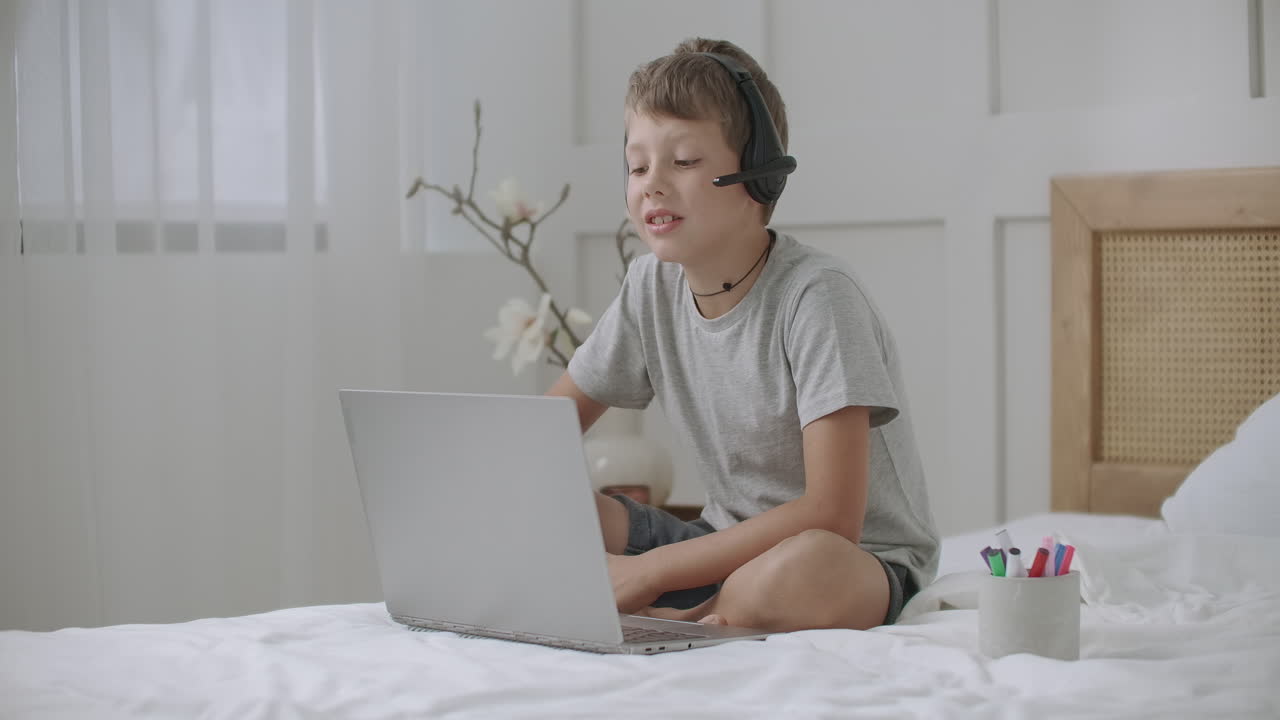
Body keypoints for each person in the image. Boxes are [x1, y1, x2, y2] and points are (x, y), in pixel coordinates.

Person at [546, 37, 938, 632]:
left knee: (805, 566)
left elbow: (833, 516)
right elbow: (540, 437)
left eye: (683, 161)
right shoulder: (650, 286)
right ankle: (687, 612)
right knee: (547, 502)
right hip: (721, 543)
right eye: (638, 165)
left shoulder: (818, 296)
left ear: (760, 174)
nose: (652, 183)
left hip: (851, 559)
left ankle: (682, 618)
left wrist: (649, 571)